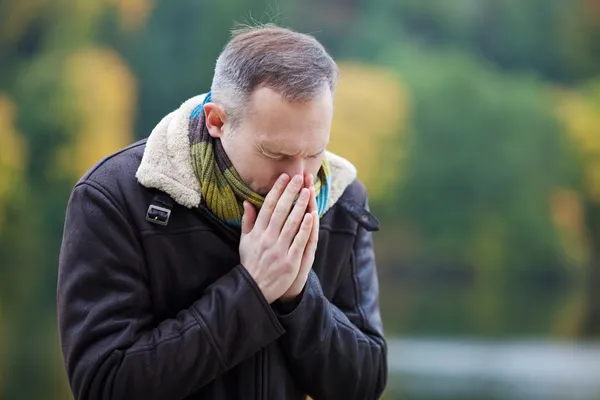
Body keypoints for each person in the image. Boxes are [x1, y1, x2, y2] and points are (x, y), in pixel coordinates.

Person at [57, 24, 387, 400]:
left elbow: (364, 384)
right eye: (276, 154)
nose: (300, 179)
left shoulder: (342, 199)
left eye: (313, 153)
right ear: (217, 121)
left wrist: (298, 297)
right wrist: (252, 290)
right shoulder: (113, 196)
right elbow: (105, 386)